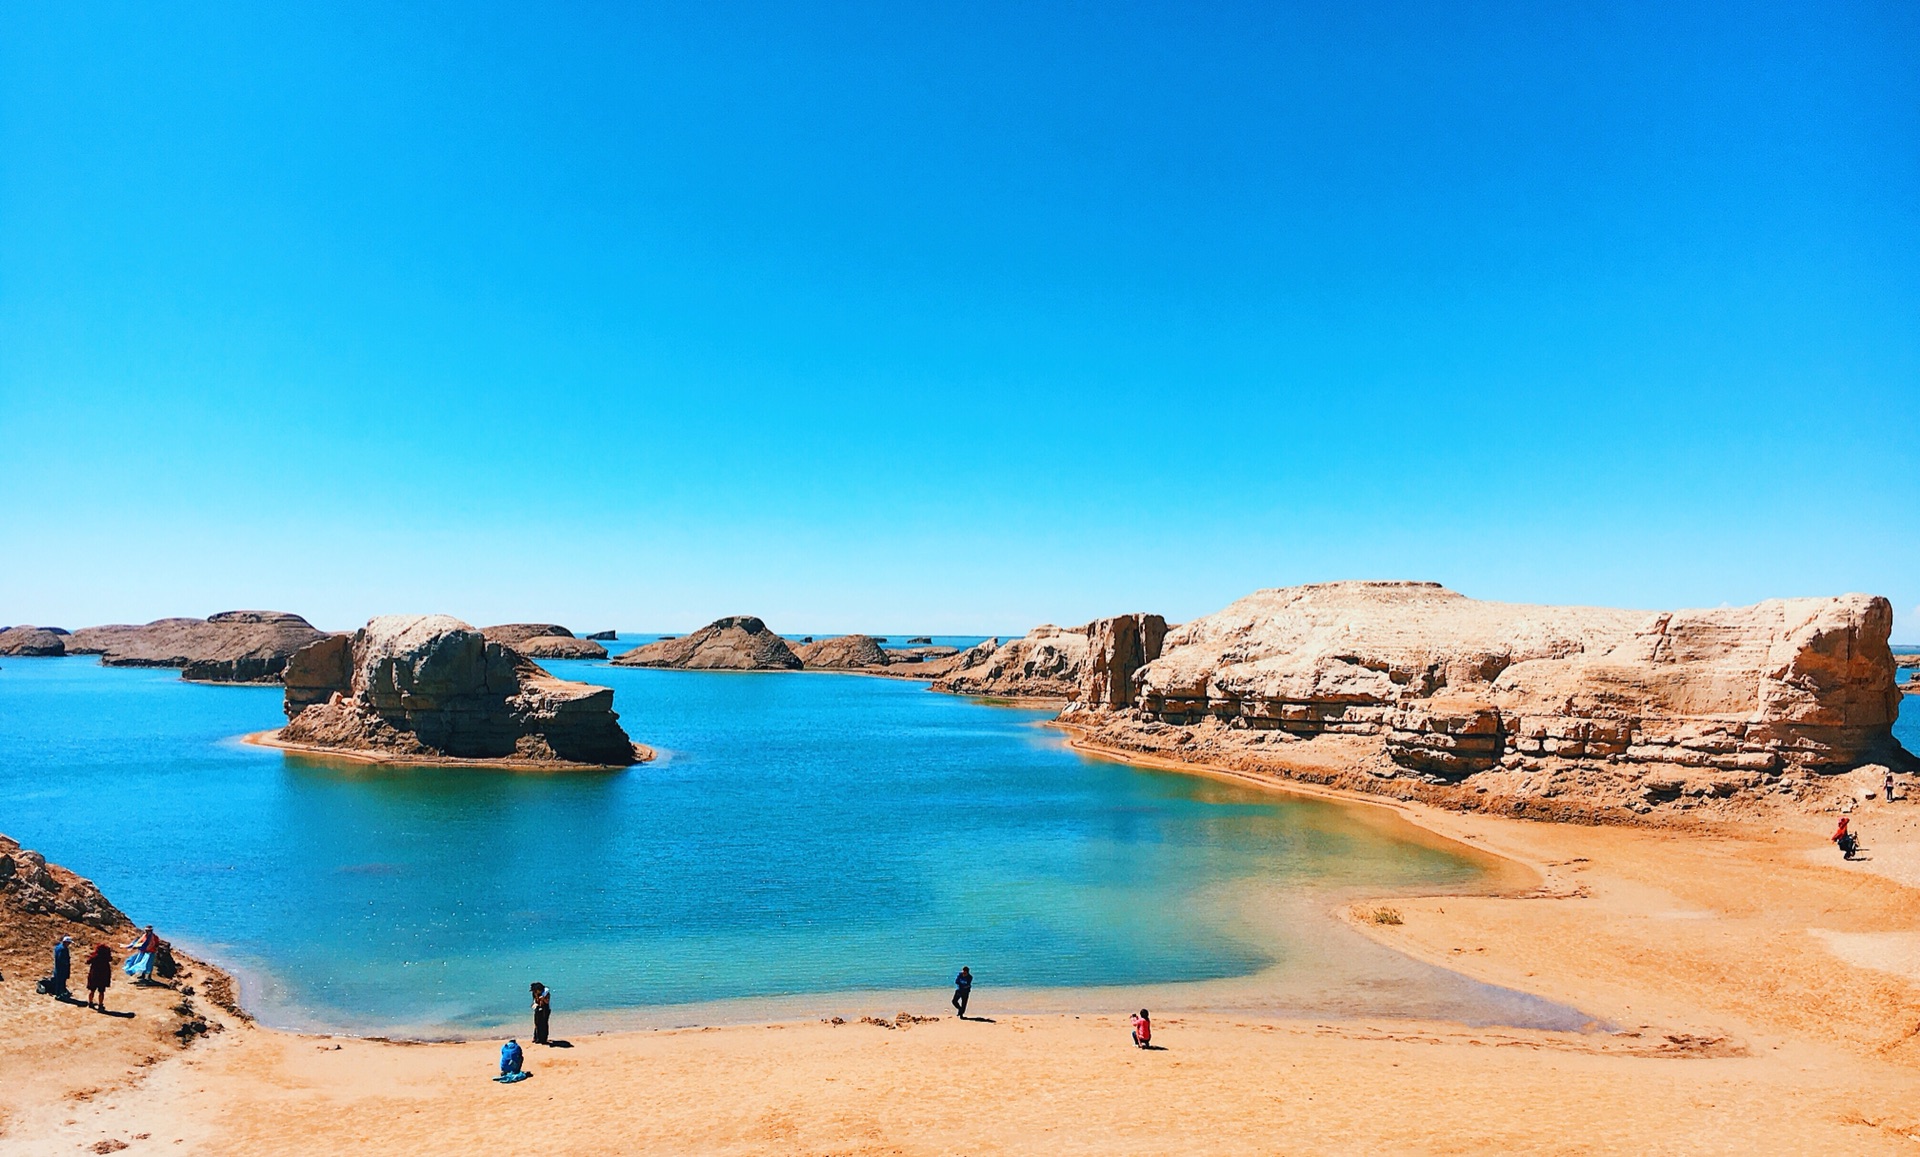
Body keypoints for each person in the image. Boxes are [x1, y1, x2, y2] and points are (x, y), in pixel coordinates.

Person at [85, 943, 113, 1011]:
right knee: (101, 992)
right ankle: (100, 1005)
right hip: (103, 977)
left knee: (92, 990)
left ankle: (90, 1003)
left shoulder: (95, 957)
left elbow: (87, 962)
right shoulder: (106, 957)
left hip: (94, 976)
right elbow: (111, 959)